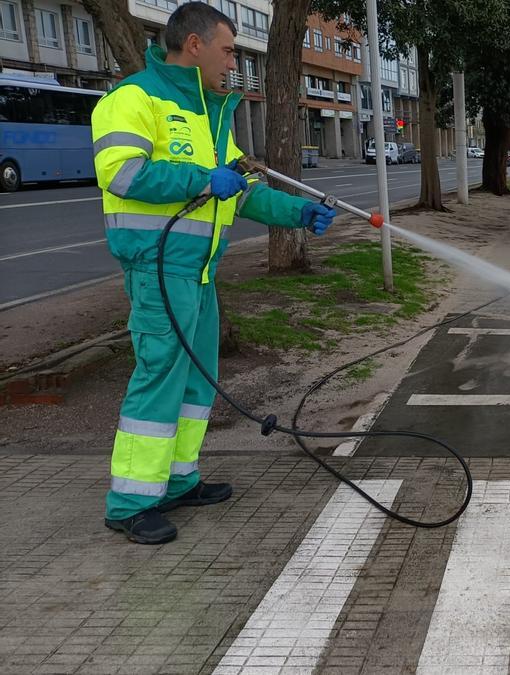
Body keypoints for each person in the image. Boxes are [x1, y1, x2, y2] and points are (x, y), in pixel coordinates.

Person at [91, 3, 337, 545]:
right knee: (158, 378)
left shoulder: (208, 113)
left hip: (199, 273)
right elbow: (123, 173)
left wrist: (296, 212)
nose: (233, 64)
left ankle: (178, 481)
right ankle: (130, 501)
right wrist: (204, 179)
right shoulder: (132, 98)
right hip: (158, 267)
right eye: (228, 51)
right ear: (195, 44)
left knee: (196, 382)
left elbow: (240, 190)